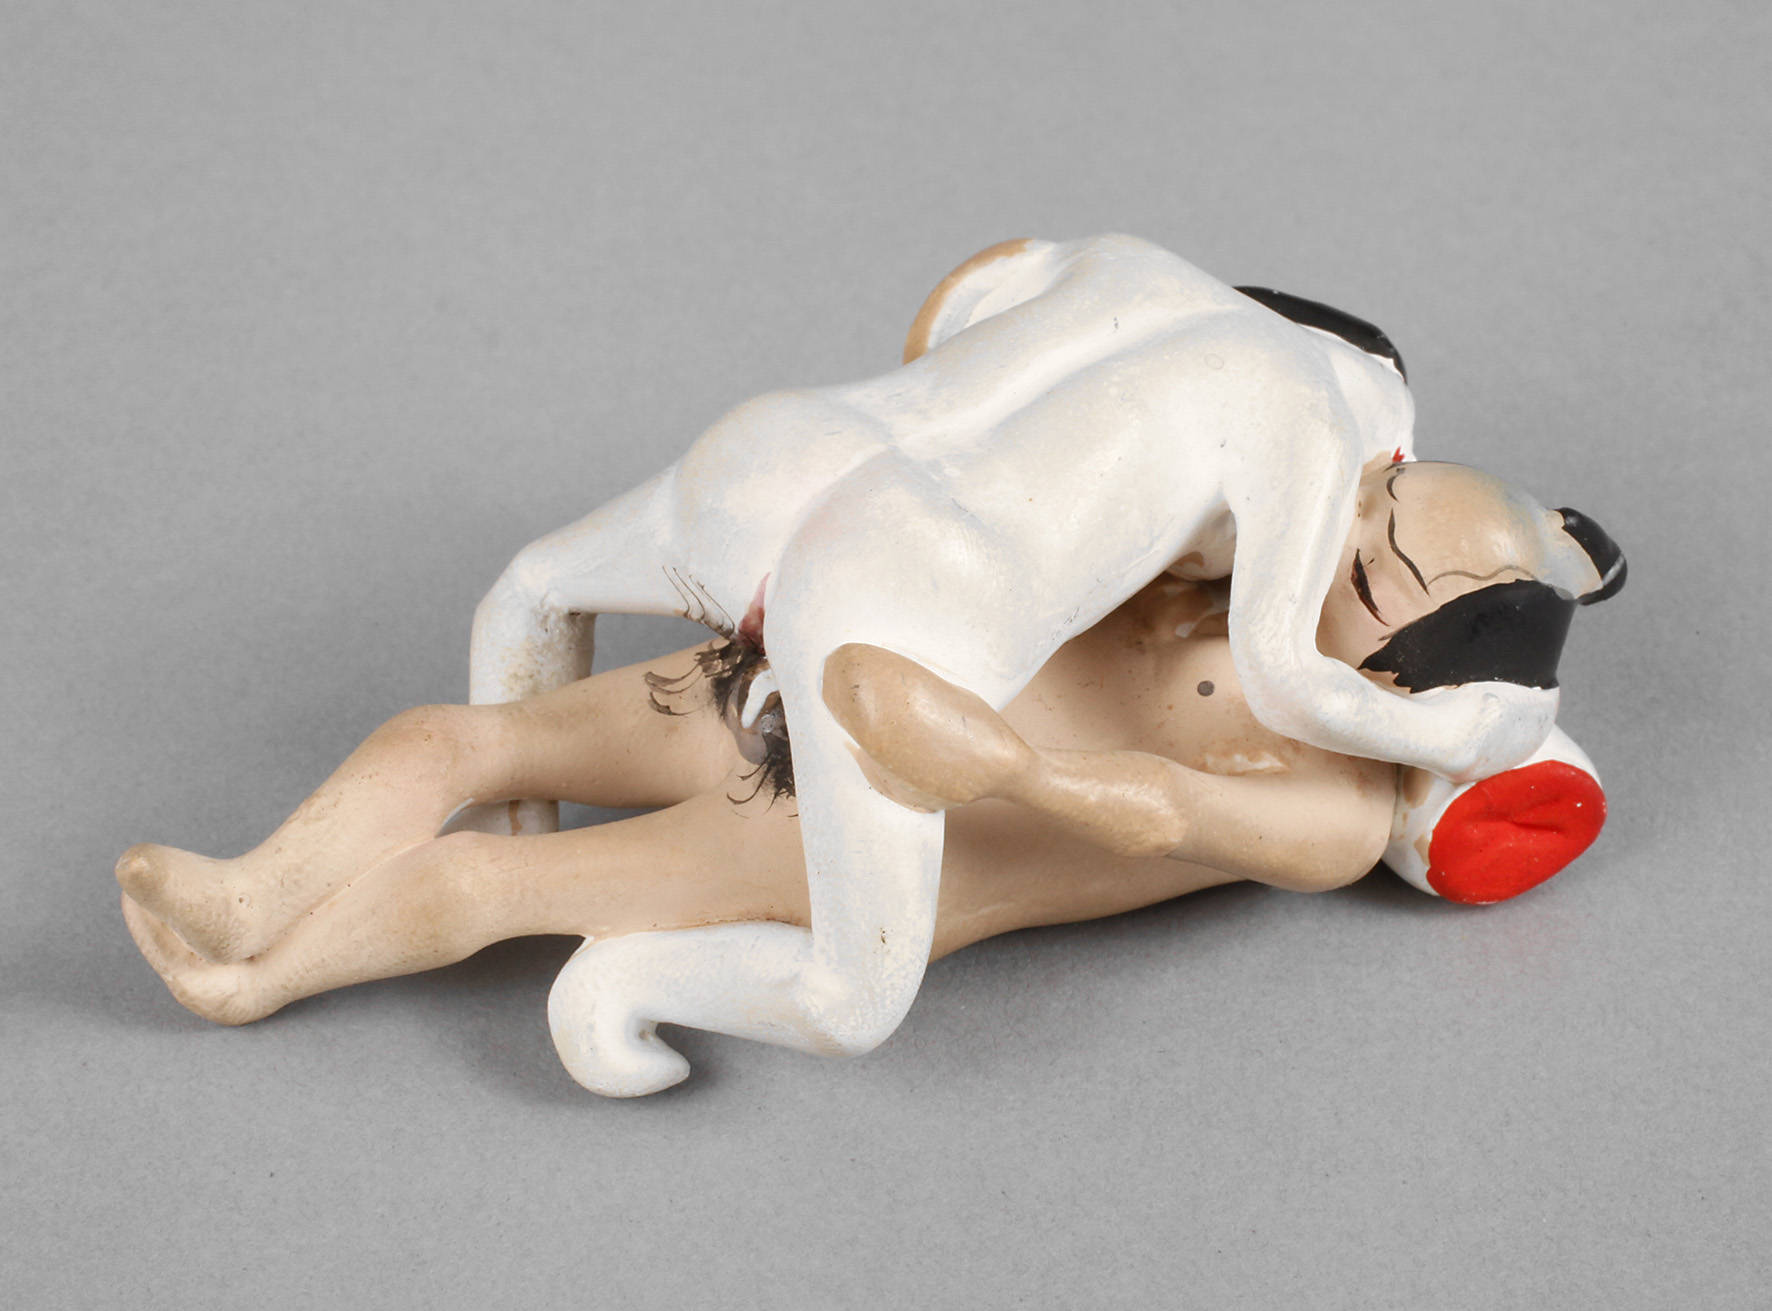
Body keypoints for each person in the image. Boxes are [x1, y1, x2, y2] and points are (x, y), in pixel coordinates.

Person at [118, 459, 1623, 1092]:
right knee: (439, 739)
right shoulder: (1217, 557)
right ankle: (248, 891)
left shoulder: (1329, 806)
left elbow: (1161, 813)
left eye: (1372, 565)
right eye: (1362, 499)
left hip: (866, 825)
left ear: (1412, 673)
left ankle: (256, 980)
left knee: (485, 878)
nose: (1330, 531)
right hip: (808, 678)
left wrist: (1000, 761)